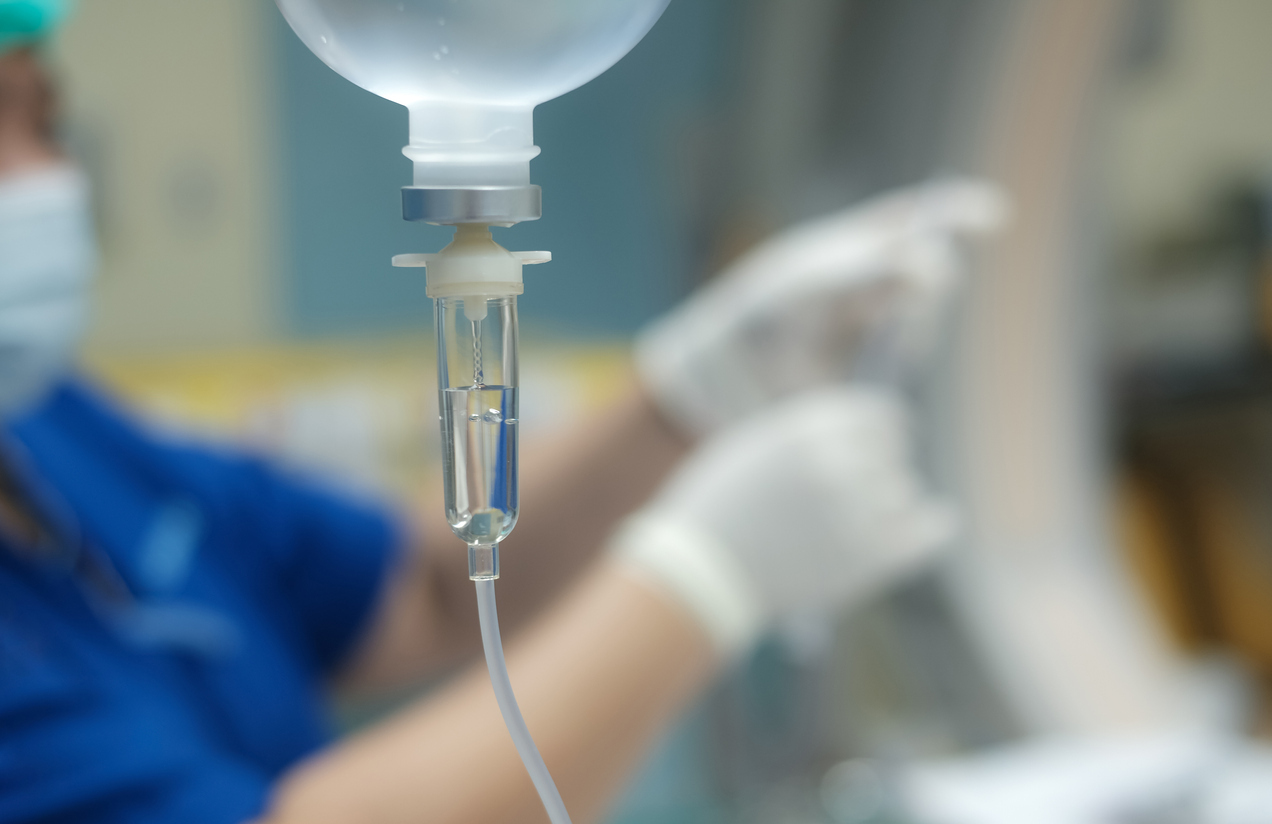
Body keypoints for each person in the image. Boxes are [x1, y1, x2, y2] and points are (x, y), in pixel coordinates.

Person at [0, 7, 1002, 823]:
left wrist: (700, 387)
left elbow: (428, 587)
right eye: (23, 125)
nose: (58, 179)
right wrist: (707, 574)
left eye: (52, 120)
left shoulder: (49, 428)